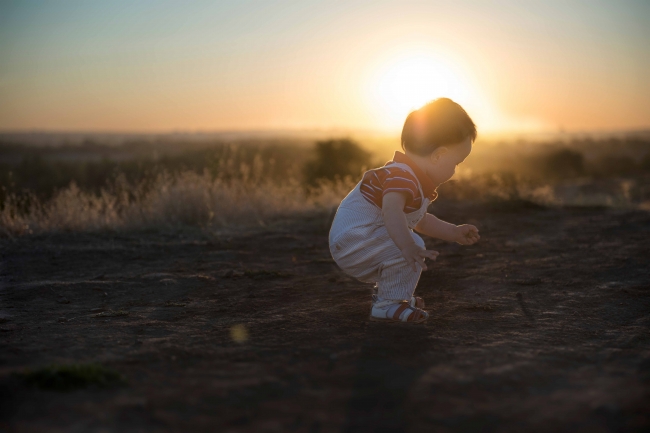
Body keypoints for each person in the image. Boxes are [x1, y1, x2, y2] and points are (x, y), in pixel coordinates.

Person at [329, 98, 480, 323]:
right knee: (411, 246)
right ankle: (387, 305)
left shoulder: (408, 178)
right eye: (456, 163)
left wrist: (454, 232)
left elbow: (421, 221)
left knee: (408, 243)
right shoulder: (402, 177)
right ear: (438, 155)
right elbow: (392, 213)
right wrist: (407, 246)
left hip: (359, 240)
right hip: (354, 241)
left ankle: (393, 298)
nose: (455, 171)